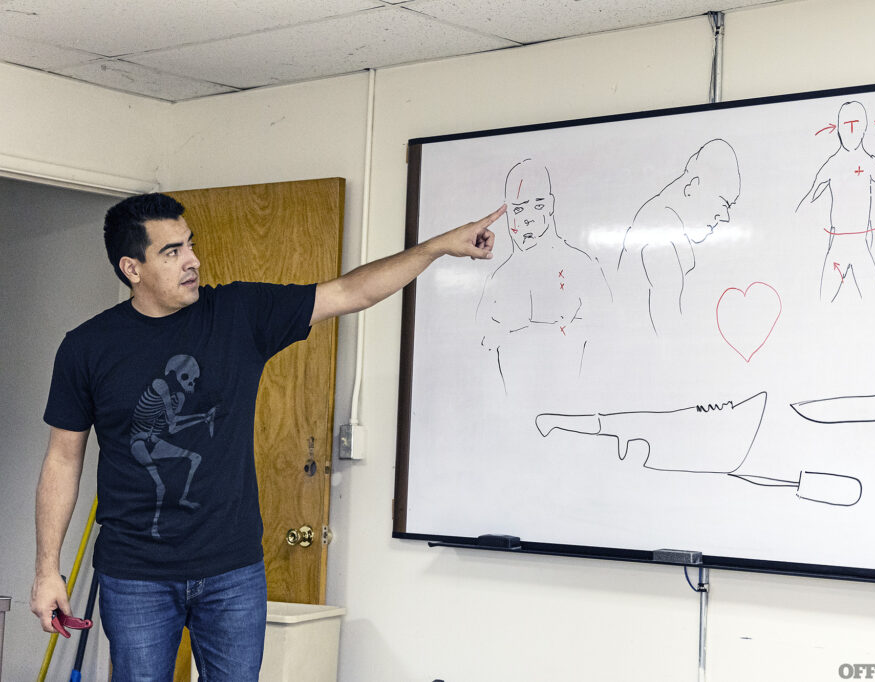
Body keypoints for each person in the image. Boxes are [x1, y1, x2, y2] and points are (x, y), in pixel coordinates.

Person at [30, 192, 504, 680]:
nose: (192, 260)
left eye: (189, 245)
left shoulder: (238, 313)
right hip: (136, 574)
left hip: (232, 569)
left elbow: (350, 293)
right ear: (132, 268)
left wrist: (438, 247)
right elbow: (63, 460)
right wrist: (48, 570)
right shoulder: (86, 348)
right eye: (171, 252)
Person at [476, 158, 610, 394]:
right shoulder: (499, 279)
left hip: (574, 408)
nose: (527, 218)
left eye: (537, 206)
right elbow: (481, 347)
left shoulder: (582, 266)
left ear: (550, 205)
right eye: (518, 209)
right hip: (509, 416)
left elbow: (608, 340)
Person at [616, 139, 741, 335]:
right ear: (693, 186)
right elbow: (669, 333)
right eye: (723, 202)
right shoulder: (661, 236)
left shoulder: (658, 222)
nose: (724, 217)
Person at [796, 100, 875, 302]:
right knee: (823, 301)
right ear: (838, 129)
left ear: (864, 128)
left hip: (860, 242)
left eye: (855, 124)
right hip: (839, 241)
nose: (850, 130)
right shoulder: (832, 164)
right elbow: (808, 199)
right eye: (845, 125)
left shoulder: (869, 162)